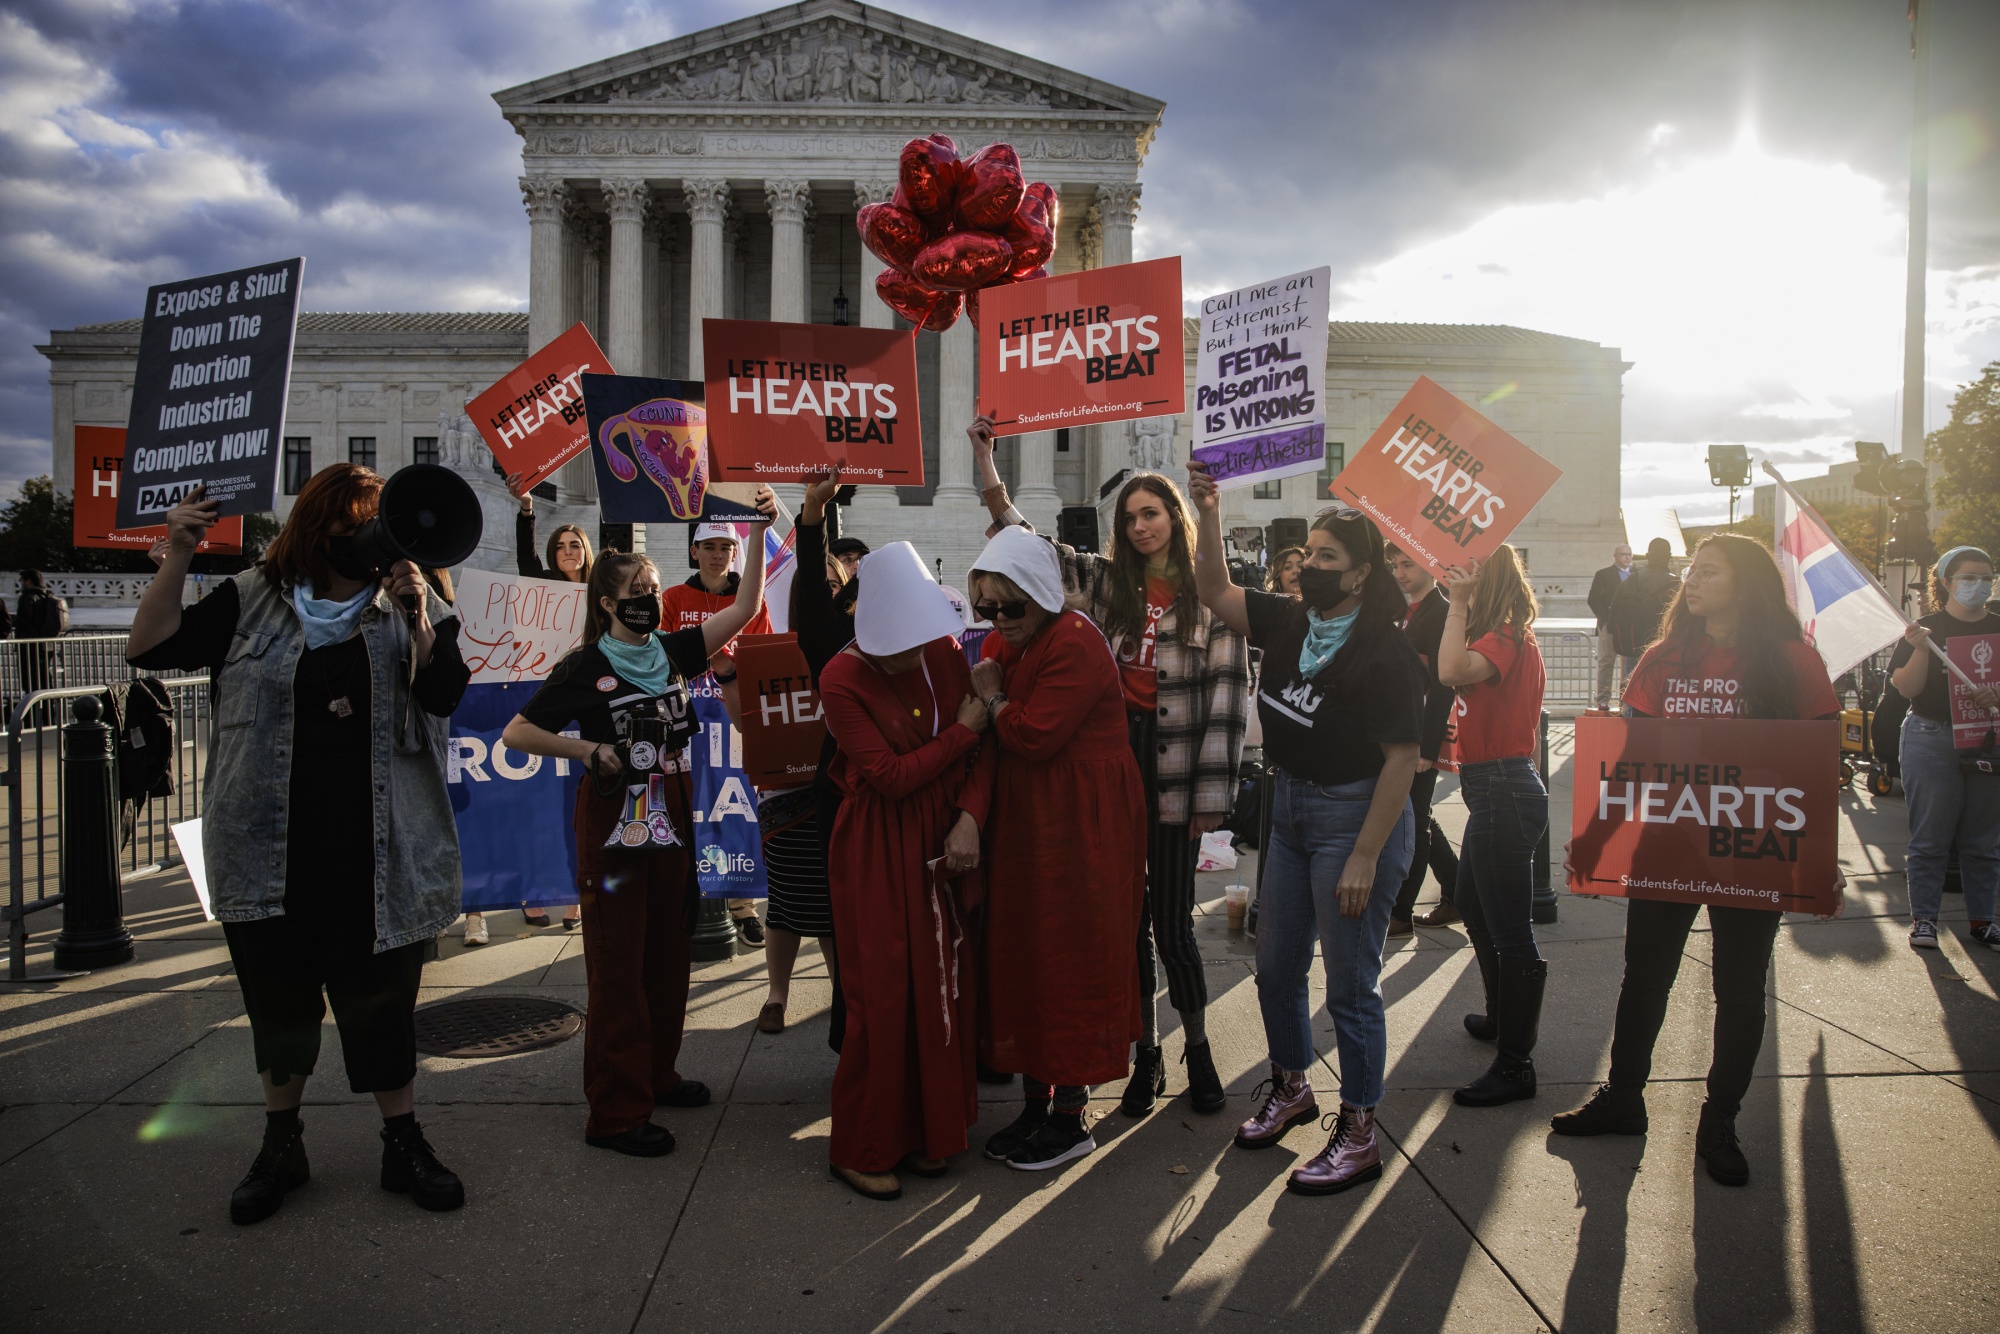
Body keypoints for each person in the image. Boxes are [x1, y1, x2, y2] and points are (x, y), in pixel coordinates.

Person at [126, 466, 469, 1225]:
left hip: (378, 848)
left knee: (383, 1002)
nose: (368, 539)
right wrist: (179, 552)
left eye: (376, 526)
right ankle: (282, 1143)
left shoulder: (408, 602)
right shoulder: (251, 599)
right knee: (278, 1003)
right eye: (355, 525)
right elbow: (147, 648)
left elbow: (444, 692)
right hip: (266, 843)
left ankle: (402, 1139)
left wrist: (416, 614)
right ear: (319, 529)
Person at [968, 418, 1249, 1119]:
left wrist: (1215, 796)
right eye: (1129, 517)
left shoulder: (1208, 598)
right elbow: (1029, 546)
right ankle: (1144, 1056)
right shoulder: (1107, 581)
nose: (1141, 526)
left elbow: (1227, 697)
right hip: (1118, 758)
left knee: (1174, 925)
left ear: (1173, 518)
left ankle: (1199, 1048)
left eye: (1152, 513)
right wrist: (986, 461)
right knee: (1125, 923)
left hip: (1180, 762)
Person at [1552, 534, 1843, 1186]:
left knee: (1739, 993)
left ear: (1748, 582)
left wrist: (1821, 862)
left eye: (1708, 571)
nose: (1692, 580)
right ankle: (1624, 1098)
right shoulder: (1661, 659)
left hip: (1752, 853)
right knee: (1645, 978)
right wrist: (1597, 841)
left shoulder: (1796, 664)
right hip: (1668, 846)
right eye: (1691, 570)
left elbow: (1820, 771)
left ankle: (1720, 1121)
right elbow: (1630, 759)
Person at [499, 498, 772, 1158]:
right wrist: (590, 752)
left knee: (668, 946)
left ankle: (657, 1073)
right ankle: (617, 1113)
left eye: (653, 589)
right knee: (620, 960)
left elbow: (741, 609)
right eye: (637, 592)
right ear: (605, 604)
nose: (649, 600)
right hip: (618, 810)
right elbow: (518, 730)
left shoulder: (671, 651)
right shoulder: (584, 666)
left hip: (673, 802)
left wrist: (758, 532)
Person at [1188, 468, 1422, 1199]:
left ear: (1359, 575)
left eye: (1327, 558)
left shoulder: (1386, 651)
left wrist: (1363, 855)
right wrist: (1209, 511)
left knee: (1352, 988)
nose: (1310, 565)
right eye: (1309, 552)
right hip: (1286, 813)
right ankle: (1291, 1085)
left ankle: (1359, 1132)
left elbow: (1403, 763)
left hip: (1353, 817)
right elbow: (1215, 593)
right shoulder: (1292, 620)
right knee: (1277, 965)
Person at [818, 542, 996, 1200]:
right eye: (894, 644)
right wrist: (964, 733)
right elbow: (889, 779)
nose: (907, 655)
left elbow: (982, 757)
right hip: (879, 850)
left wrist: (970, 818)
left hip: (946, 833)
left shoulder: (945, 651)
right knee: (884, 995)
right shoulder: (839, 679)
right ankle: (862, 1145)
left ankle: (930, 1133)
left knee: (944, 988)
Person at [966, 525, 1147, 1172]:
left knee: (1073, 957)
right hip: (1031, 819)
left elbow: (1033, 734)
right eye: (986, 606)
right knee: (1027, 955)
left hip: (1080, 824)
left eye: (1010, 605)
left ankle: (1071, 1117)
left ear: (1042, 593)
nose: (997, 619)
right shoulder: (1006, 642)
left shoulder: (1075, 641)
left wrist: (992, 697)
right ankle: (1036, 1105)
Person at [1435, 547, 1549, 1106]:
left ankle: (1516, 1063)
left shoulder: (1506, 635)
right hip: (1493, 788)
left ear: (1491, 580)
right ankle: (1504, 1018)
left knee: (1510, 928)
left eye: (1468, 575)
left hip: (1504, 787)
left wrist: (1457, 605)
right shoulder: (1500, 635)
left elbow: (1451, 670)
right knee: (1471, 903)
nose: (1458, 581)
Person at [480, 471, 595, 939]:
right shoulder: (542, 587)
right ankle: (537, 891)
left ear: (587, 552)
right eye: (562, 546)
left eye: (575, 545)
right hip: (545, 700)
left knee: (577, 805)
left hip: (586, 706)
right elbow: (525, 559)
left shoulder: (600, 593)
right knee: (541, 803)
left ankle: (572, 896)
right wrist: (526, 508)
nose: (568, 551)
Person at [662, 520, 775, 949]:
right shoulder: (673, 597)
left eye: (724, 546)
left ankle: (743, 906)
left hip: (735, 716)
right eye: (707, 546)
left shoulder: (753, 600)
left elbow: (762, 653)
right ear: (694, 552)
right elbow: (666, 653)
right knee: (693, 807)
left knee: (737, 807)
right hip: (689, 719)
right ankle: (693, 895)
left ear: (734, 552)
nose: (715, 554)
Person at [1888, 546, 2000, 951]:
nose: (1979, 585)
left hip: (1988, 740)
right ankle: (1925, 921)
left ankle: (1984, 920)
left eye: (1986, 577)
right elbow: (1906, 688)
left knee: (1983, 841)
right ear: (1947, 583)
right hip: (1931, 738)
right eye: (1969, 578)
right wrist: (1920, 648)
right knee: (1930, 837)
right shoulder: (1925, 629)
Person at [1385, 545, 1462, 934]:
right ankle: (1460, 891)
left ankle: (1400, 911)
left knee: (1413, 820)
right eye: (1395, 565)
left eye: (1407, 564)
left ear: (1430, 565)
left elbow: (1444, 687)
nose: (1399, 572)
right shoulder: (1406, 611)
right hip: (1403, 732)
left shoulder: (1442, 611)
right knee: (1419, 815)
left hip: (1421, 738)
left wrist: (1428, 749)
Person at [1607, 538, 1678, 679]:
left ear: (1647, 556)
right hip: (1667, 651)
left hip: (1634, 648)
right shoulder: (1676, 585)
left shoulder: (1631, 582)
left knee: (1632, 691)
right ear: (1669, 557)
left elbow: (1612, 618)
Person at [1587, 544, 1635, 710]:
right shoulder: (1604, 575)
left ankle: (1628, 699)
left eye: (1629, 554)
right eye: (1623, 554)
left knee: (1631, 663)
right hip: (1609, 626)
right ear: (1615, 556)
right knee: (1606, 662)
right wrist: (1606, 620)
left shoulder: (1637, 575)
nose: (1627, 557)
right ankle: (1602, 699)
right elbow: (1593, 599)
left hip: (1630, 627)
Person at [14, 568, 68, 704]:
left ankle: (34, 712)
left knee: (30, 681)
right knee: (44, 678)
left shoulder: (28, 597)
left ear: (29, 581)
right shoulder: (46, 596)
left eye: (22, 580)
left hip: (30, 646)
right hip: (45, 645)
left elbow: (24, 620)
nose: (20, 583)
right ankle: (48, 711)